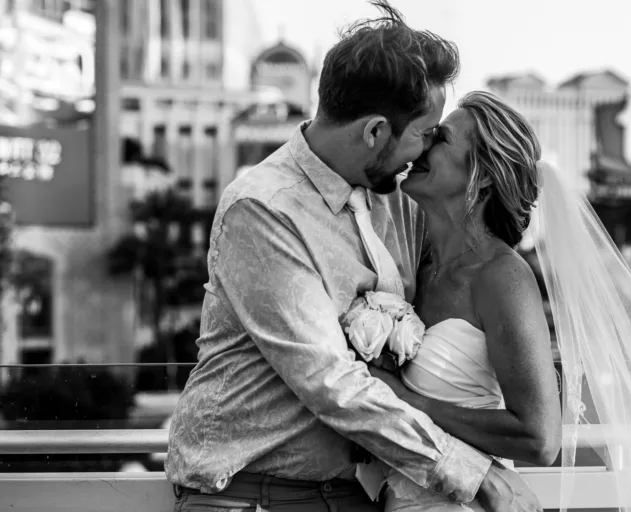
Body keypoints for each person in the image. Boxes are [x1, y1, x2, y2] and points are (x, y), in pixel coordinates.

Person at [165, 4, 537, 511]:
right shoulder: (264, 209)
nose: (423, 153)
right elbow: (328, 381)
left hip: (358, 495)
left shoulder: (400, 201)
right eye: (422, 135)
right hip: (252, 496)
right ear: (375, 132)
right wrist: (476, 476)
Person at [370, 91, 631, 512]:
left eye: (441, 138)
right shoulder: (416, 262)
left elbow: (540, 437)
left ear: (481, 177)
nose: (422, 144)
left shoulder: (502, 276)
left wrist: (407, 401)